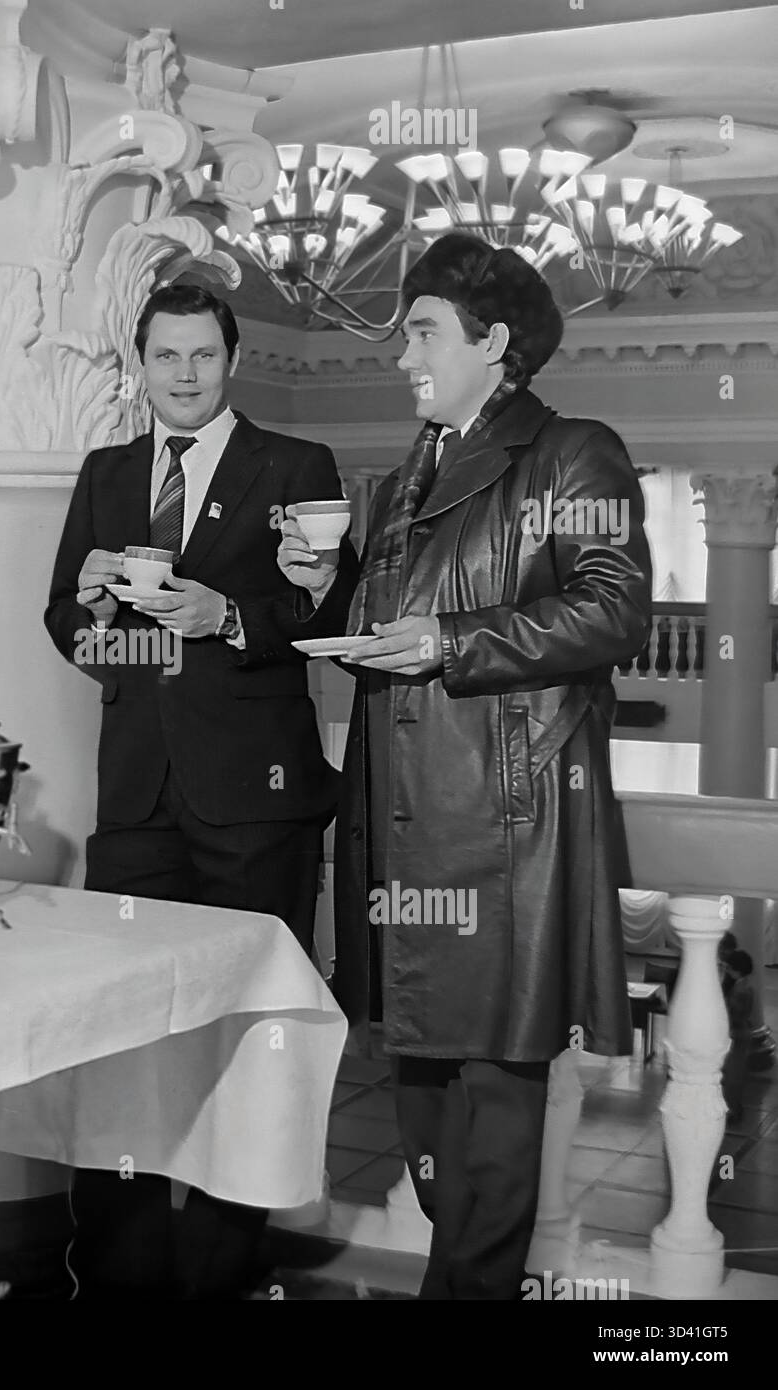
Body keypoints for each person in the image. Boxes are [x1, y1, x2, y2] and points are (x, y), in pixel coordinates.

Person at [276, 232, 653, 1300]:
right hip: (400, 819)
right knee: (422, 1096)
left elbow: (613, 606)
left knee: (492, 1101)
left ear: (493, 343)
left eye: (423, 332)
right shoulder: (404, 477)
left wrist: (451, 640)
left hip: (502, 827)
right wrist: (324, 580)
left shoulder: (572, 452)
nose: (403, 355)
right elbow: (381, 623)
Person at [45, 281, 360, 1299]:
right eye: (164, 357)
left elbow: (329, 609)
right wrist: (97, 602)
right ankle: (120, 1277)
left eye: (202, 356)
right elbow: (64, 619)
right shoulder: (103, 472)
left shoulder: (295, 465)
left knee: (245, 1041)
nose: (183, 376)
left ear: (232, 360)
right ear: (137, 364)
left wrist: (223, 614)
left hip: (254, 800)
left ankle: (221, 1276)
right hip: (135, 799)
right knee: (119, 1040)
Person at [721, 949, 755, 1122]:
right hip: (742, 1033)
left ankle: (732, 1109)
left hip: (737, 1034)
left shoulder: (740, 990)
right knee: (736, 1073)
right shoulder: (745, 985)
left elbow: (734, 1013)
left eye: (729, 968)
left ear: (737, 969)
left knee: (733, 1075)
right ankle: (734, 1107)